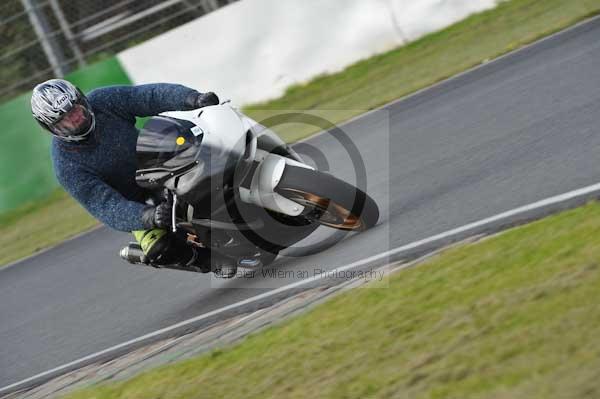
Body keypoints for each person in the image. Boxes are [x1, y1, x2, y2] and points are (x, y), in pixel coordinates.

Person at [30, 79, 237, 278]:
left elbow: (148, 96)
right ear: (51, 128)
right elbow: (105, 206)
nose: (76, 119)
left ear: (82, 100)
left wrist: (192, 99)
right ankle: (207, 260)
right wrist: (148, 216)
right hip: (137, 201)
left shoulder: (103, 101)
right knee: (160, 248)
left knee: (202, 154)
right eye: (65, 120)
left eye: (75, 110)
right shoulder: (67, 165)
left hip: (158, 162)